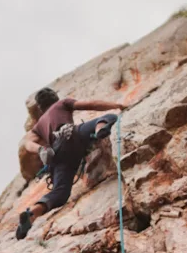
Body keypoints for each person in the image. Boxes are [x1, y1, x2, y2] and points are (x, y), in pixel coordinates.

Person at [16, 88, 125, 240]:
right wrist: (118, 105)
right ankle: (100, 129)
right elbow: (91, 104)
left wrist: (40, 149)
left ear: (40, 108)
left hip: (56, 154)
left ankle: (33, 213)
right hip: (72, 136)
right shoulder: (62, 103)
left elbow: (27, 144)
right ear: (55, 98)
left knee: (60, 193)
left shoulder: (39, 125)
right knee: (109, 117)